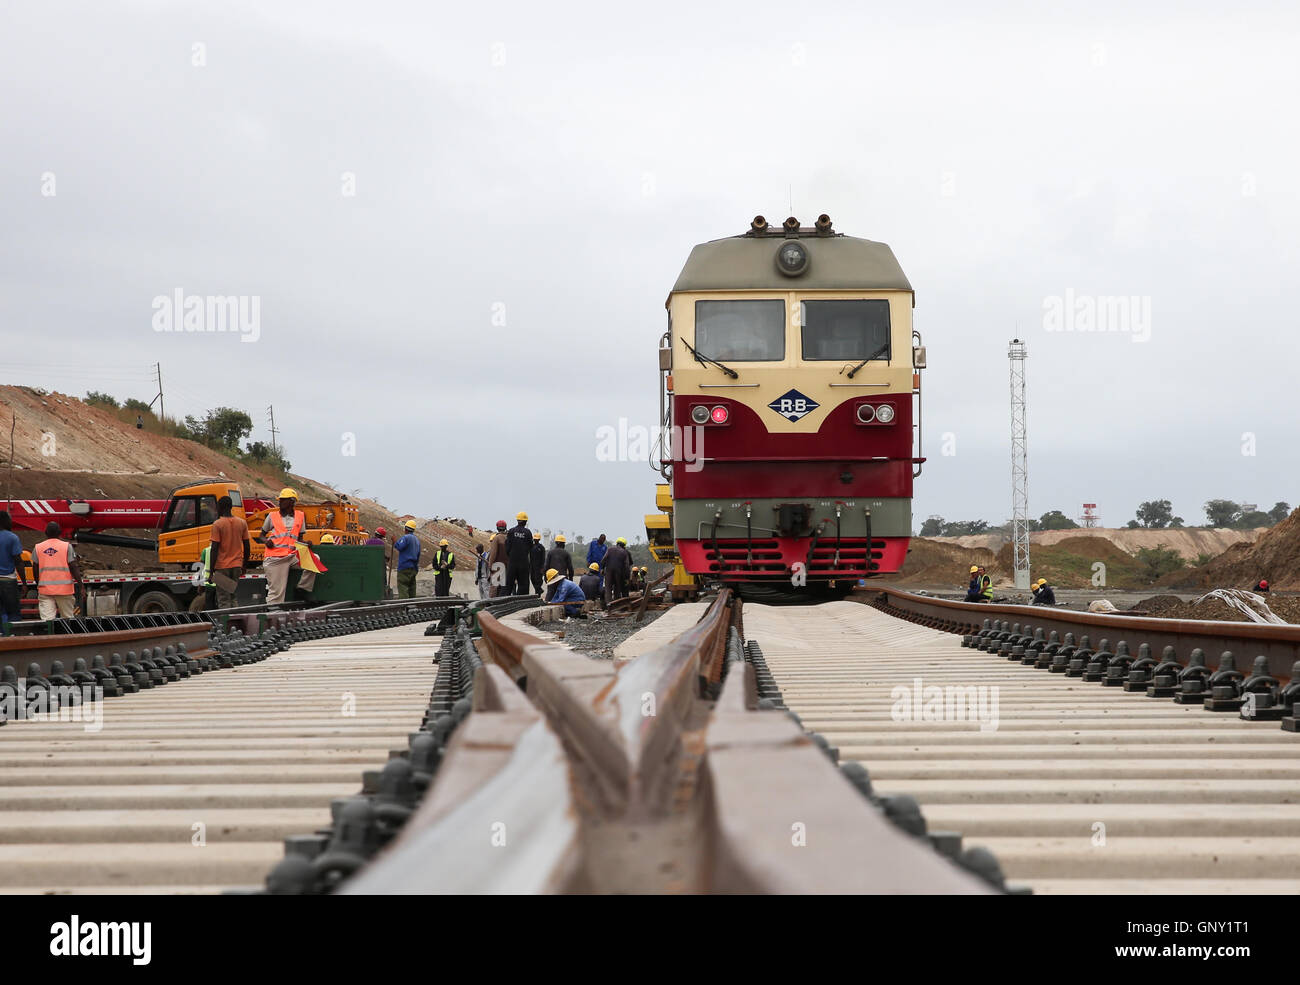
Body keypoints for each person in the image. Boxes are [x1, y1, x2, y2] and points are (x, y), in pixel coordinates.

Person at [261, 488, 317, 606]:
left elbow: (299, 539)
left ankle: (302, 588)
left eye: (283, 500)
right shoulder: (272, 516)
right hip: (275, 559)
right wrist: (266, 541)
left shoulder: (300, 516)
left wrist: (307, 543)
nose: (280, 502)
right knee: (277, 594)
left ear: (292, 502)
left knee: (315, 559)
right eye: (280, 500)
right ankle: (272, 615)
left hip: (292, 556)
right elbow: (261, 535)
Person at [207, 494, 250, 609]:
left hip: (222, 567)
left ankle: (226, 624)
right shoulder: (242, 523)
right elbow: (247, 545)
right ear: (231, 507)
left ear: (219, 508)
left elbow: (214, 548)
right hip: (236, 566)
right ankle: (235, 622)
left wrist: (211, 572)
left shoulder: (217, 524)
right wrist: (245, 564)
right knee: (233, 596)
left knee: (224, 599)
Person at [33, 520, 82, 620]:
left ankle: (51, 635)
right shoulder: (66, 546)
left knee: (47, 620)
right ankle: (67, 635)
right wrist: (81, 586)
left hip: (45, 590)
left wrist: (39, 583)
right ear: (60, 532)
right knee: (68, 618)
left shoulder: (38, 547)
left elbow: (35, 568)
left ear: (46, 532)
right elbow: (73, 567)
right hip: (64, 590)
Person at [0, 511, 28, 634]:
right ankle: (11, 637)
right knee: (13, 612)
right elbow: (18, 561)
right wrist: (24, 583)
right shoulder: (12, 537)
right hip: (8, 582)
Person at [505, 511, 533, 596]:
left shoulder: (511, 531)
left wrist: (511, 556)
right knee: (523, 585)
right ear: (525, 522)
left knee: (508, 585)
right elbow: (530, 547)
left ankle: (503, 602)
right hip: (523, 563)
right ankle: (521, 602)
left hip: (512, 562)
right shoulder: (528, 532)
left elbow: (507, 547)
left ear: (518, 520)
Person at [393, 519, 421, 599]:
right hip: (413, 568)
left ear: (405, 529)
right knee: (412, 589)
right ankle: (412, 607)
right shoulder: (417, 540)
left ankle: (404, 608)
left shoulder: (406, 538)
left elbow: (399, 547)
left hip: (404, 568)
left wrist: (395, 541)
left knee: (403, 588)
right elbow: (418, 554)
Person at [602, 536, 631, 602]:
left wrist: (602, 569)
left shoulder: (609, 549)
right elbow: (627, 566)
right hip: (619, 573)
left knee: (608, 589)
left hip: (608, 572)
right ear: (624, 545)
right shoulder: (624, 552)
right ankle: (616, 605)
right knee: (617, 589)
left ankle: (608, 605)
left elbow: (603, 560)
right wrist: (626, 577)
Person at [487, 520, 509, 597]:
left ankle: (491, 604)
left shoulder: (496, 538)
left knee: (494, 588)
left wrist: (490, 566)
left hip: (498, 566)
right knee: (503, 588)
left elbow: (493, 554)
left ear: (497, 528)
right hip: (507, 566)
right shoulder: (508, 538)